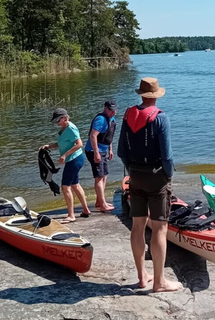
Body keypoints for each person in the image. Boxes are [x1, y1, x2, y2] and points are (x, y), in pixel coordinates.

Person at [117, 77, 182, 292]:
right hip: (156, 178)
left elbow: (121, 152)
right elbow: (167, 156)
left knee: (137, 226)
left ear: (141, 94)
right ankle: (159, 282)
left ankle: (142, 277)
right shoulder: (161, 118)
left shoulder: (128, 115)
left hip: (135, 176)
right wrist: (168, 176)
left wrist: (132, 170)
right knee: (160, 228)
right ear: (156, 96)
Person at [40, 108, 91, 223]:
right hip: (73, 159)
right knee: (75, 184)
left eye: (58, 120)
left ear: (64, 118)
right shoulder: (64, 129)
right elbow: (61, 143)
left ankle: (71, 215)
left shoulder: (71, 128)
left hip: (75, 159)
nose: (56, 122)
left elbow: (79, 144)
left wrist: (64, 155)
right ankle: (86, 210)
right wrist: (48, 146)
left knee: (65, 186)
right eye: (55, 121)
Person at [85, 100, 117, 212]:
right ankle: (102, 205)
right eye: (111, 111)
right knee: (99, 177)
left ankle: (99, 201)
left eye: (114, 110)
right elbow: (93, 136)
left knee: (104, 175)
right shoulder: (100, 119)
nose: (113, 113)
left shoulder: (111, 118)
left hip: (103, 150)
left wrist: (111, 149)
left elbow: (109, 135)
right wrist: (96, 153)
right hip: (93, 151)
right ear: (105, 108)